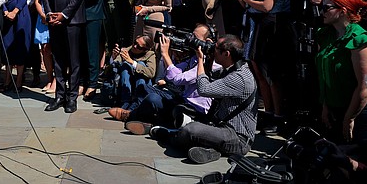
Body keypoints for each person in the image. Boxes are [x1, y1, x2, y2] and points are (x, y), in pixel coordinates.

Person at [149, 35, 257, 165]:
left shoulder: (239, 78)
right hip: (220, 126)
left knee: (190, 130)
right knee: (182, 115)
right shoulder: (232, 69)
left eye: (215, 48)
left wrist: (200, 59)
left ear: (226, 54)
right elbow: (210, 78)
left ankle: (171, 136)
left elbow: (204, 89)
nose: (211, 49)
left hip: (237, 138)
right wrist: (208, 61)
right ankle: (212, 149)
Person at [232, 0, 291, 134]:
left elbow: (267, 6)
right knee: (258, 71)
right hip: (255, 26)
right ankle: (268, 111)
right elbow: (249, 5)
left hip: (271, 28)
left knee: (270, 73)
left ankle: (279, 115)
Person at [119, 25, 218, 133]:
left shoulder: (210, 63)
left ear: (207, 41)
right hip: (182, 99)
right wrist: (172, 56)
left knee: (152, 98)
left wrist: (165, 54)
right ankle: (139, 115)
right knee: (145, 88)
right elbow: (170, 77)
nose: (190, 40)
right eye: (191, 35)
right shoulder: (194, 58)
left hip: (193, 110)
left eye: (195, 37)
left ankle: (132, 115)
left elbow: (179, 79)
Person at [316, 0, 367, 143]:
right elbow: (324, 75)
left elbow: (365, 86)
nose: (322, 12)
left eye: (326, 8)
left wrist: (349, 118)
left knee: (355, 158)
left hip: (358, 112)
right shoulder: (326, 35)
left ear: (343, 10)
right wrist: (325, 106)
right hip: (334, 108)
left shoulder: (360, 40)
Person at [42, 0, 89, 113]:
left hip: (72, 19)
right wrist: (49, 13)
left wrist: (65, 14)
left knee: (74, 60)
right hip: (54, 19)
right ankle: (59, 95)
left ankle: (72, 97)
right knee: (59, 59)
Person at [76, 0, 107, 101]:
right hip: (77, 14)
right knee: (80, 50)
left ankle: (92, 84)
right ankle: (81, 81)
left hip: (92, 13)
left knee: (91, 51)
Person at [1, 0, 32, 92]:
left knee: (20, 45)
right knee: (7, 45)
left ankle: (18, 81)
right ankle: (7, 80)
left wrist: (15, 10)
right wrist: (6, 10)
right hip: (7, 8)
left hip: (21, 11)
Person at [106, 34, 157, 113]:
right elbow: (112, 68)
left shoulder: (150, 55)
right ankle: (125, 101)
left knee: (141, 65)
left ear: (145, 50)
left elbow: (151, 73)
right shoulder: (126, 50)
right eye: (135, 43)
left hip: (141, 84)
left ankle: (138, 101)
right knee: (125, 65)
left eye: (139, 47)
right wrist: (113, 57)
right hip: (125, 84)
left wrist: (133, 63)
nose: (135, 46)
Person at [33, 0, 54, 93]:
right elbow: (37, 1)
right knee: (45, 49)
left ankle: (57, 80)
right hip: (43, 19)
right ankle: (49, 78)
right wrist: (42, 15)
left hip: (55, 18)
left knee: (55, 50)